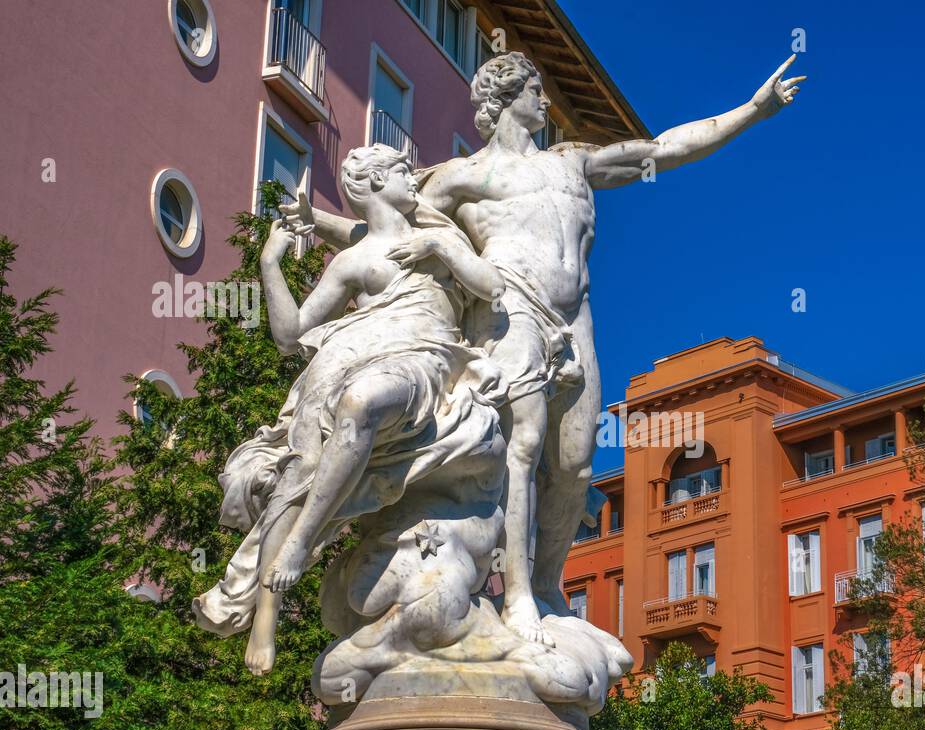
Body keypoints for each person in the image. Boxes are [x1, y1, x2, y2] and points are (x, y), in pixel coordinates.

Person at [283, 51, 804, 645]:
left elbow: (662, 150)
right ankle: (518, 595)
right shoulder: (463, 177)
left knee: (577, 461)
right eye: (536, 89)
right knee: (522, 448)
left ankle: (550, 583)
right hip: (510, 310)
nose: (547, 101)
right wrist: (320, 221)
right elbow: (385, 227)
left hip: (573, 316)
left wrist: (753, 111)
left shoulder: (573, 163)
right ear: (507, 99)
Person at [194, 144, 507, 675]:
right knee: (300, 473)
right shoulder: (354, 259)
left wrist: (439, 245)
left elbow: (491, 286)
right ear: (373, 183)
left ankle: (296, 550)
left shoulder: (441, 235)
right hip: (342, 361)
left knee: (363, 402)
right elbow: (291, 337)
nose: (414, 179)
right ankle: (267, 612)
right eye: (403, 172)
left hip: (420, 357)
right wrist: (270, 263)